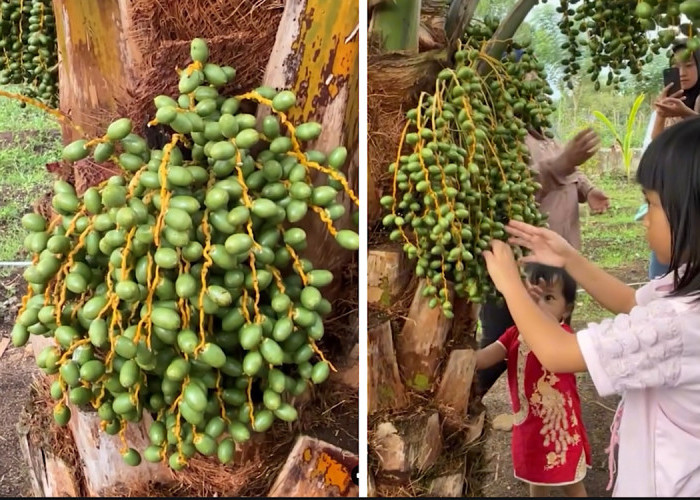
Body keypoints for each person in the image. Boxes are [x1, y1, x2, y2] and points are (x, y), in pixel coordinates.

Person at [483, 117, 700, 496]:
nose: (644, 217)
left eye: (651, 204)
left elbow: (558, 353)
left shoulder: (679, 326)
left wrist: (510, 283)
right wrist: (568, 258)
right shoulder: (684, 289)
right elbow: (632, 301)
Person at [476, 68, 610, 400]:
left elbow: (572, 174)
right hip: (525, 266)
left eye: (540, 88)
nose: (536, 96)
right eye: (527, 88)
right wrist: (561, 163)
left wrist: (588, 190)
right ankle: (465, 401)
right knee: (503, 341)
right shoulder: (502, 139)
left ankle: (550, 405)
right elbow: (510, 195)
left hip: (561, 261)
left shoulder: (546, 136)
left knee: (555, 334)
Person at [476, 263, 591, 498]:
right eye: (531, 296)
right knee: (535, 478)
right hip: (528, 427)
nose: (538, 303)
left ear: (566, 310)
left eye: (548, 297)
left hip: (560, 430)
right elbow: (485, 358)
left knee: (571, 481)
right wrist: (460, 356)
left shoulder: (565, 337)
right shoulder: (514, 333)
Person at [644, 40, 700, 279]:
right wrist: (661, 114)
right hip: (672, 203)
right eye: (676, 67)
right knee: (662, 277)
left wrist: (686, 114)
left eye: (688, 65)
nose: (682, 73)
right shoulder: (676, 101)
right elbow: (658, 147)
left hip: (693, 203)